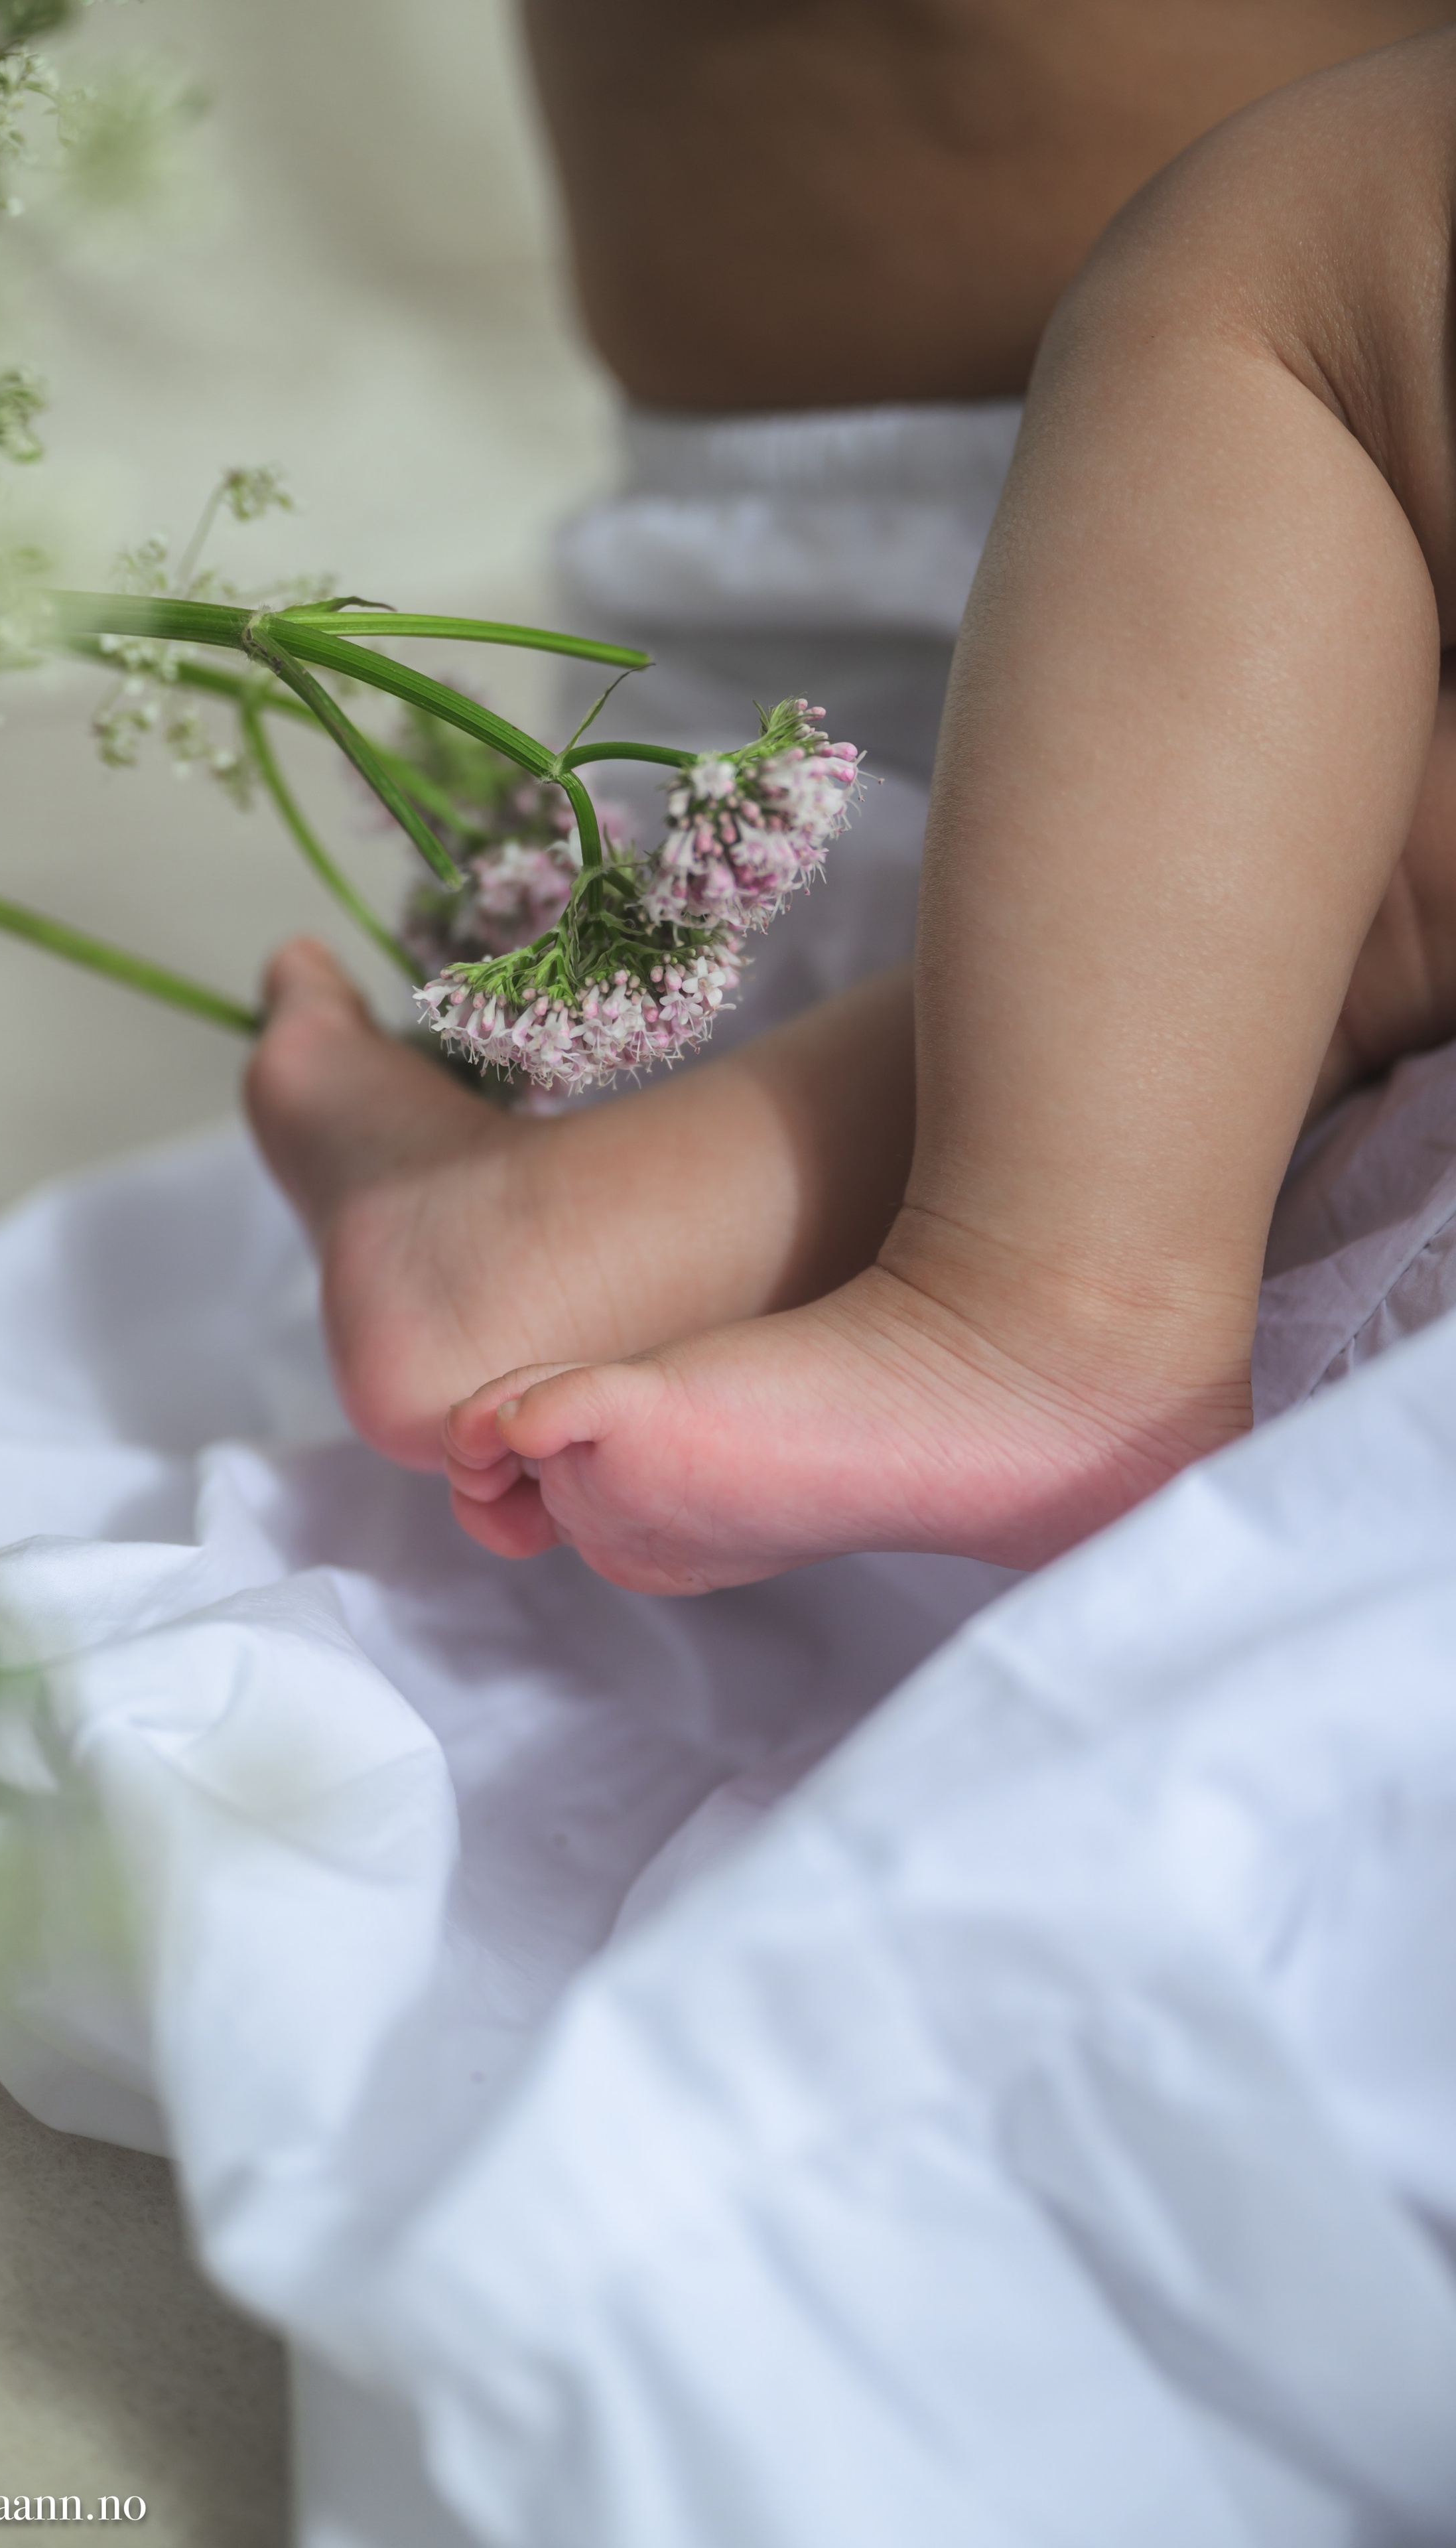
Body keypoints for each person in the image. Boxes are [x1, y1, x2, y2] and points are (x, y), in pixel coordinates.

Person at [247, 23, 1456, 1594]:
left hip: (1189, 555)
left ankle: (1056, 1312)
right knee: (1374, 878)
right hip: (900, 622)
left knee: (1303, 257)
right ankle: (592, 1221)